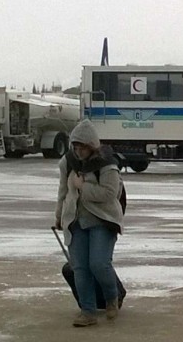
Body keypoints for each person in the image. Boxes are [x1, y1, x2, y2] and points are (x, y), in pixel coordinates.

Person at [54, 120, 123, 327]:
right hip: (75, 220)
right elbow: (63, 191)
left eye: (81, 147)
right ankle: (88, 311)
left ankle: (112, 298)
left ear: (91, 146)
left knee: (99, 264)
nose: (77, 151)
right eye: (74, 146)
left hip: (102, 219)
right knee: (80, 268)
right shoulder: (68, 162)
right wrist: (59, 215)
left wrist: (83, 187)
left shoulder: (107, 164)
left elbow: (110, 193)